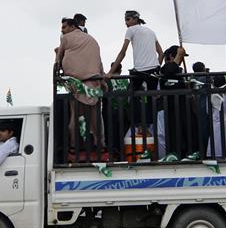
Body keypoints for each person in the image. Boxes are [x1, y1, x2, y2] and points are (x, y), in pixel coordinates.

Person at [55, 17, 106, 150]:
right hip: (94, 83)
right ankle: (99, 143)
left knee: (75, 116)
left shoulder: (65, 38)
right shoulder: (92, 39)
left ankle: (73, 145)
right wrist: (103, 80)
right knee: (95, 118)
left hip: (77, 84)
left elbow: (58, 60)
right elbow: (99, 62)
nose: (63, 30)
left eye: (64, 27)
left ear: (73, 27)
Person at [110, 10, 163, 133]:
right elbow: (161, 53)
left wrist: (110, 72)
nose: (126, 23)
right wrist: (156, 67)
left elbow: (122, 52)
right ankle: (150, 125)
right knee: (151, 98)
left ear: (135, 19)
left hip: (140, 70)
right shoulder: (151, 31)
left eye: (128, 19)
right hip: (154, 69)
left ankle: (138, 125)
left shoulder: (131, 30)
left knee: (132, 96)